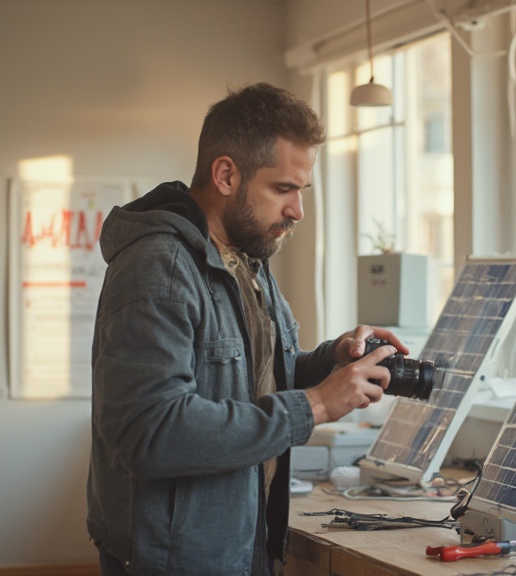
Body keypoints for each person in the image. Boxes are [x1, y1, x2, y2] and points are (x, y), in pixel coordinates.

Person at [87, 82, 408, 576]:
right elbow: (151, 433)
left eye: (302, 191)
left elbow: (250, 378)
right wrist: (317, 404)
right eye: (283, 189)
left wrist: (330, 363)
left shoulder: (245, 260)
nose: (298, 210)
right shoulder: (160, 266)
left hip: (242, 546)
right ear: (225, 174)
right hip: (177, 562)